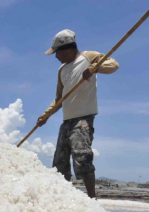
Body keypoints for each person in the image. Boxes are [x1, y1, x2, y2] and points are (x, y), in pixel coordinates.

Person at [37, 29, 119, 198]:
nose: (56, 57)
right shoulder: (61, 70)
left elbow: (113, 65)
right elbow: (59, 98)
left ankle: (91, 198)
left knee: (82, 157)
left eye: (57, 53)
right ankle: (62, 198)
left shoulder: (89, 56)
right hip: (66, 121)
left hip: (83, 118)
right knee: (59, 164)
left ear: (67, 49)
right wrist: (46, 115)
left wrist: (95, 68)